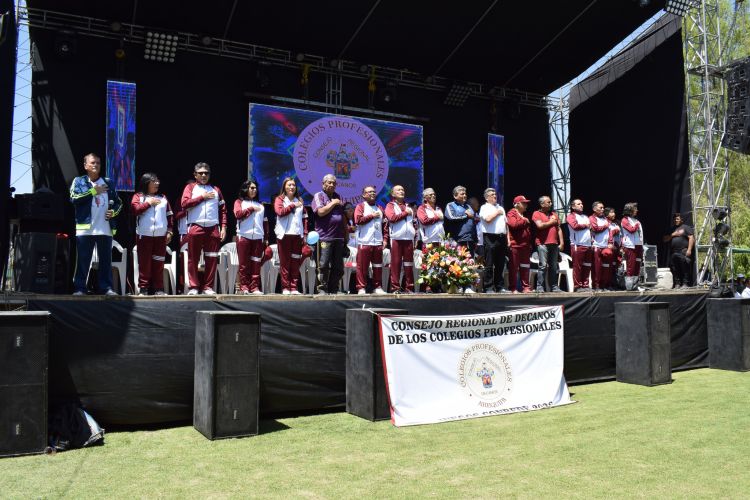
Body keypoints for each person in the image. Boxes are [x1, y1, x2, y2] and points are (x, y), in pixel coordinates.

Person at [69, 153, 123, 295]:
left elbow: (119, 202)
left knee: (105, 261)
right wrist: (94, 191)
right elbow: (74, 198)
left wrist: (113, 212)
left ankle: (107, 288)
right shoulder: (79, 181)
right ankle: (80, 288)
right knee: (83, 260)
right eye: (92, 162)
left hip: (105, 228)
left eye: (98, 163)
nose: (96, 165)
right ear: (85, 165)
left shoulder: (108, 182)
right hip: (85, 229)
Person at [181, 162, 227, 295]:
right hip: (196, 225)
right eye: (200, 173)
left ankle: (208, 287)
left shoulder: (216, 189)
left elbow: (223, 210)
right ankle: (194, 287)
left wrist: (224, 227)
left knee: (212, 258)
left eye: (206, 173)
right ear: (195, 175)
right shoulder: (190, 187)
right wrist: (202, 197)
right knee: (193, 258)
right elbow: (184, 204)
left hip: (213, 227)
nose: (203, 175)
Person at [131, 172, 173, 295]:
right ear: (146, 183)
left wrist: (170, 231)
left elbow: (169, 215)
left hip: (160, 236)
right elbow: (134, 210)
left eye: (158, 181)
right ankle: (144, 289)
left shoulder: (163, 198)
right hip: (144, 235)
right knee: (144, 263)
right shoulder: (138, 196)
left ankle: (159, 289)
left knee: (159, 263)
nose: (157, 183)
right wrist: (148, 203)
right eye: (154, 181)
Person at [311, 174, 346, 295]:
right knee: (323, 264)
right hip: (324, 237)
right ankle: (322, 289)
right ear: (323, 184)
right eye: (329, 182)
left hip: (339, 237)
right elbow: (320, 212)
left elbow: (342, 217)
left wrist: (345, 235)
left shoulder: (338, 197)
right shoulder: (319, 196)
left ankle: (334, 289)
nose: (332, 185)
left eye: (334, 183)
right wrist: (333, 203)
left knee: (338, 267)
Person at [274, 177, 308, 295]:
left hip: (297, 235)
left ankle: (293, 287)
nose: (292, 187)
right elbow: (280, 212)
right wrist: (293, 205)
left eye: (293, 185)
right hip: (284, 235)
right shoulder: (279, 199)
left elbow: (305, 217)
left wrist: (305, 233)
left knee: (295, 262)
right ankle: (285, 287)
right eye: (289, 185)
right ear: (284, 187)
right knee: (285, 262)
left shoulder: (299, 200)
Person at [234, 179, 268, 295]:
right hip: (243, 235)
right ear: (246, 189)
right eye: (252, 188)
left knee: (256, 263)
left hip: (258, 237)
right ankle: (244, 287)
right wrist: (251, 209)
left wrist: (266, 237)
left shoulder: (261, 205)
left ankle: (254, 287)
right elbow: (238, 214)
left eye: (255, 188)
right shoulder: (239, 202)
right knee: (244, 264)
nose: (254, 190)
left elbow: (265, 222)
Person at [353, 185, 387, 295]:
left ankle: (377, 287)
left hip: (378, 242)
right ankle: (361, 288)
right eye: (369, 192)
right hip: (365, 241)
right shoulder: (360, 206)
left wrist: (385, 239)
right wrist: (371, 216)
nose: (372, 193)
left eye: (374, 192)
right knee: (362, 267)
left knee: (378, 266)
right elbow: (358, 220)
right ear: (364, 195)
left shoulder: (380, 208)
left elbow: (385, 225)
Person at [385, 185, 415, 293]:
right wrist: (405, 213)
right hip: (396, 238)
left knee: (409, 264)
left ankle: (409, 288)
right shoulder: (390, 205)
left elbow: (413, 223)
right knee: (396, 264)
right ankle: (395, 288)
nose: (401, 191)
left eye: (403, 190)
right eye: (398, 190)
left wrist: (414, 236)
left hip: (409, 239)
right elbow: (392, 218)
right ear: (393, 194)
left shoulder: (408, 206)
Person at [478, 188, 507, 293]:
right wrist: (497, 212)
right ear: (486, 198)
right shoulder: (484, 207)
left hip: (501, 237)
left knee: (500, 264)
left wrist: (508, 239)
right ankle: (488, 287)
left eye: (495, 194)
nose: (495, 196)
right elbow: (488, 219)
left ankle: (500, 286)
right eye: (492, 195)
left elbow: (505, 224)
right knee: (489, 264)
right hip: (490, 237)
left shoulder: (501, 207)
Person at [532, 196, 563, 292]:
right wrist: (551, 222)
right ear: (542, 204)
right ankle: (540, 287)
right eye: (548, 202)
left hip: (554, 244)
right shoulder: (536, 214)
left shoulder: (554, 214)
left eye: (550, 202)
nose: (551, 204)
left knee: (554, 266)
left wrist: (561, 242)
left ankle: (554, 287)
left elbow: (559, 229)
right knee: (543, 265)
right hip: (542, 244)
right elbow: (540, 226)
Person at [506, 195, 532, 293]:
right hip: (515, 245)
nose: (526, 205)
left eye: (526, 203)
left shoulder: (523, 215)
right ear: (517, 204)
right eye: (523, 203)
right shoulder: (511, 213)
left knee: (525, 266)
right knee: (514, 267)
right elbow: (513, 224)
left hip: (525, 245)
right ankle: (513, 288)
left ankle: (526, 287)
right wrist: (524, 221)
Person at [566, 198, 593, 291]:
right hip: (577, 244)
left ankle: (585, 285)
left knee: (587, 266)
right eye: (578, 204)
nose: (581, 205)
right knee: (578, 267)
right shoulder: (571, 216)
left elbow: (590, 229)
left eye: (581, 203)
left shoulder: (585, 217)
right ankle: (577, 286)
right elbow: (574, 226)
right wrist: (585, 225)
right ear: (573, 207)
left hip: (588, 245)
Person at [663, 212, 694, 289]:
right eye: (674, 219)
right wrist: (673, 235)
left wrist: (689, 249)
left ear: (681, 220)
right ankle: (677, 283)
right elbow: (665, 239)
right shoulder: (672, 229)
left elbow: (691, 238)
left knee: (685, 267)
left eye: (677, 219)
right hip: (674, 252)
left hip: (683, 251)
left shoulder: (685, 227)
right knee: (674, 268)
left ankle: (685, 283)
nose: (675, 220)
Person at [445, 186, 479, 257]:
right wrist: (466, 215)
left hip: (470, 239)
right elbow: (451, 217)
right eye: (462, 194)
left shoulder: (468, 206)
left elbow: (472, 221)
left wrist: (475, 239)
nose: (465, 195)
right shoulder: (450, 205)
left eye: (465, 194)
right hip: (458, 240)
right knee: (460, 262)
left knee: (470, 261)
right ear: (455, 196)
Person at [621, 202, 644, 291]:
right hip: (630, 246)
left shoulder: (636, 220)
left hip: (638, 245)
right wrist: (637, 225)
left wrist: (642, 245)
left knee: (637, 265)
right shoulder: (625, 220)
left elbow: (640, 234)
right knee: (631, 266)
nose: (637, 210)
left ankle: (635, 285)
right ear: (629, 210)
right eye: (635, 209)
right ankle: (629, 287)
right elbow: (631, 230)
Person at [589, 201, 610, 291]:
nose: (602, 209)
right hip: (596, 245)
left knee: (605, 267)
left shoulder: (605, 219)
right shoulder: (592, 218)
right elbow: (595, 229)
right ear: (594, 209)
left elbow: (610, 232)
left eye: (603, 208)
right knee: (596, 267)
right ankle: (596, 286)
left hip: (605, 246)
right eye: (600, 208)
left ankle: (603, 285)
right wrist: (605, 226)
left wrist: (610, 242)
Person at [604, 207, 621, 290]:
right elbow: (607, 234)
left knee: (615, 266)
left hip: (616, 248)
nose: (613, 214)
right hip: (608, 247)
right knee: (608, 267)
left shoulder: (615, 224)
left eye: (614, 212)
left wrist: (620, 247)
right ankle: (607, 284)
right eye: (611, 212)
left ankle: (614, 284)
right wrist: (615, 231)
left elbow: (620, 236)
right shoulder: (605, 222)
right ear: (606, 214)